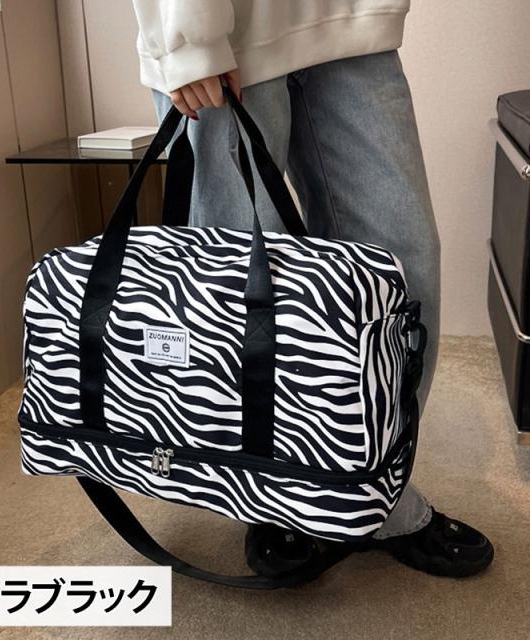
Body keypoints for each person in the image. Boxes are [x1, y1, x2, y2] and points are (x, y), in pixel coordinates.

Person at [130, 0, 493, 577]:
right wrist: (188, 36)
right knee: (243, 286)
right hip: (225, 28)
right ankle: (271, 491)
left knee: (402, 266)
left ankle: (376, 488)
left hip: (350, 18)